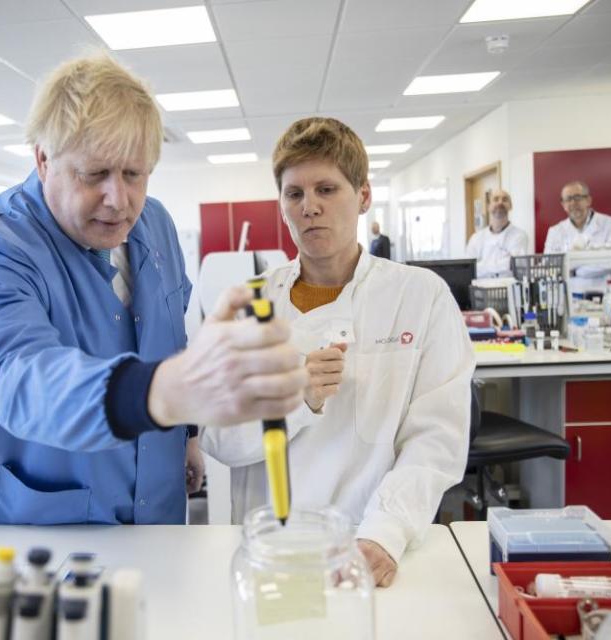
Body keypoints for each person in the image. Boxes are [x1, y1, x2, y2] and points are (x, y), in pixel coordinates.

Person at [0, 54, 307, 525]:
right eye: (94, 175)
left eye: (135, 174)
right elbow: (20, 377)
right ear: (43, 159)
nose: (118, 199)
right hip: (39, 529)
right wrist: (168, 394)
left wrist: (187, 433)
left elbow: (169, 340)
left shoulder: (156, 225)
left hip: (156, 509)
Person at [201, 117, 474, 587]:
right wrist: (295, 398)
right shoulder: (249, 305)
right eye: (295, 194)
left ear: (363, 196)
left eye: (327, 189)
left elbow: (436, 440)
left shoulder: (419, 296)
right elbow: (218, 437)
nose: (310, 207)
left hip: (372, 541)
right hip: (272, 546)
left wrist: (384, 534)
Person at [544, 181, 611, 253]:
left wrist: (576, 268)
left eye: (577, 197)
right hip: (566, 275)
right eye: (568, 199)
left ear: (588, 200)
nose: (573, 203)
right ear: (563, 205)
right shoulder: (555, 231)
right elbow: (549, 267)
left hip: (605, 275)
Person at [465, 188, 528, 278]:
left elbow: (515, 264)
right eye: (496, 199)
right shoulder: (476, 238)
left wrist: (481, 265)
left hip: (508, 290)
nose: (500, 203)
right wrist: (505, 263)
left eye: (505, 199)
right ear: (488, 206)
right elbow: (469, 269)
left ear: (510, 206)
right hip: (480, 290)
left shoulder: (519, 236)